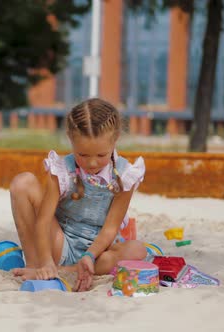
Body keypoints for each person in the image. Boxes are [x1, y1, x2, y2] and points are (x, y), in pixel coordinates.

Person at [10, 98, 147, 292]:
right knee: (22, 182)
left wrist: (89, 256)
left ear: (115, 139)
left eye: (101, 156)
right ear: (70, 139)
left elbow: (110, 229)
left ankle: (70, 270)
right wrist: (46, 260)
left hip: (99, 253)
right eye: (82, 155)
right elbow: (43, 221)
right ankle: (37, 267)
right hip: (61, 243)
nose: (92, 163)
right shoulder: (62, 171)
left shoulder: (125, 175)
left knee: (137, 250)